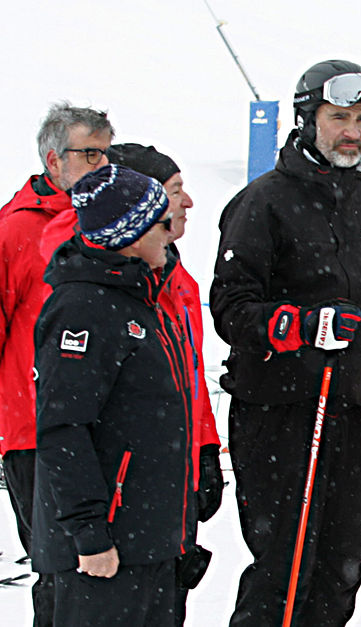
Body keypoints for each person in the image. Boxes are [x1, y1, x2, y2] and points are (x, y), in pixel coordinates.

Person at [209, 60, 361, 627]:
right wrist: (304, 326)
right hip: (280, 408)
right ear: (308, 118)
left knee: (344, 561)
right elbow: (232, 308)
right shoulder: (263, 201)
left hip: (350, 405)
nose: (352, 131)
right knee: (286, 566)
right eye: (338, 117)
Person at [34, 164, 197, 626]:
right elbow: (63, 429)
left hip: (149, 540)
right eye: (162, 225)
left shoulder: (140, 296)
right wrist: (89, 533)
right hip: (107, 550)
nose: (171, 236)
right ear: (131, 235)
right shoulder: (83, 308)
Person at [0, 101, 113, 626]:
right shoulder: (16, 230)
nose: (102, 164)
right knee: (60, 572)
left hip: (101, 424)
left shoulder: (110, 224)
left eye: (107, 154)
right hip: (34, 431)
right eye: (89, 153)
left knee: (106, 574)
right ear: (53, 160)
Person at [102, 143, 224, 624]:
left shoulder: (179, 278)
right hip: (125, 484)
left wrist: (205, 449)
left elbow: (191, 378)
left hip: (173, 473)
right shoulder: (102, 287)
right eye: (175, 193)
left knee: (168, 601)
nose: (188, 202)